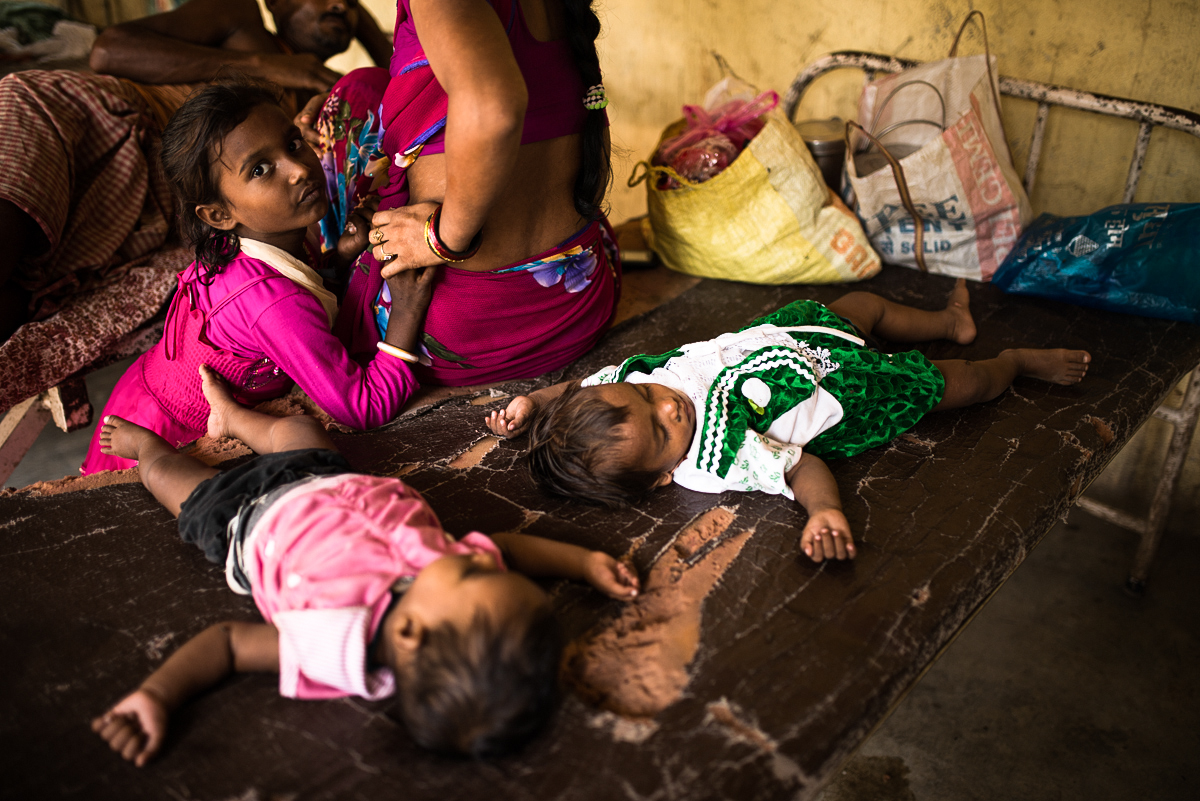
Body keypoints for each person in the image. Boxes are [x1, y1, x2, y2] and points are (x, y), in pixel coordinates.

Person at [90, 364, 639, 763]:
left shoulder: (338, 642)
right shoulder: (448, 580)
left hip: (242, 523)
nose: (484, 560)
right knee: (297, 431)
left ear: (408, 630)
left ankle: (146, 451)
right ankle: (233, 417)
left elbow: (229, 646)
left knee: (179, 487)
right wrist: (583, 563)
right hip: (328, 480)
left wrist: (159, 693)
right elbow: (513, 550)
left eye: (478, 573)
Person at [484, 281, 1092, 562]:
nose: (668, 404)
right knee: (961, 384)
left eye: (648, 394)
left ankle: (946, 320)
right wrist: (824, 510)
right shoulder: (717, 457)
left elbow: (585, 386)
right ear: (660, 479)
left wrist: (538, 402)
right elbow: (802, 464)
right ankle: (1010, 362)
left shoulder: (621, 393)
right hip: (853, 392)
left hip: (801, 333)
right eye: (664, 430)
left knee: (867, 305)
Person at [81, 81, 434, 474]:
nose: (299, 170)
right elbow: (361, 407)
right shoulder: (271, 301)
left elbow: (293, 296)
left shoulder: (254, 242)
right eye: (260, 170)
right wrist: (405, 312)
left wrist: (335, 262)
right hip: (164, 441)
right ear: (218, 215)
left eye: (294, 144)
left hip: (140, 392)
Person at [0, 0, 390, 341]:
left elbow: (402, 75)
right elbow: (108, 51)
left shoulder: (328, 106)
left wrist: (364, 38)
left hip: (151, 203)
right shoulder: (239, 17)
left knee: (29, 288)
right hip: (101, 125)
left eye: (354, 5)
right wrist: (271, 66)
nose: (341, 6)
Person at [310, 0, 621, 387]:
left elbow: (494, 108)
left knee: (353, 93)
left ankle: (332, 271)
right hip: (580, 304)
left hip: (457, 331)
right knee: (372, 84)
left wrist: (441, 238)